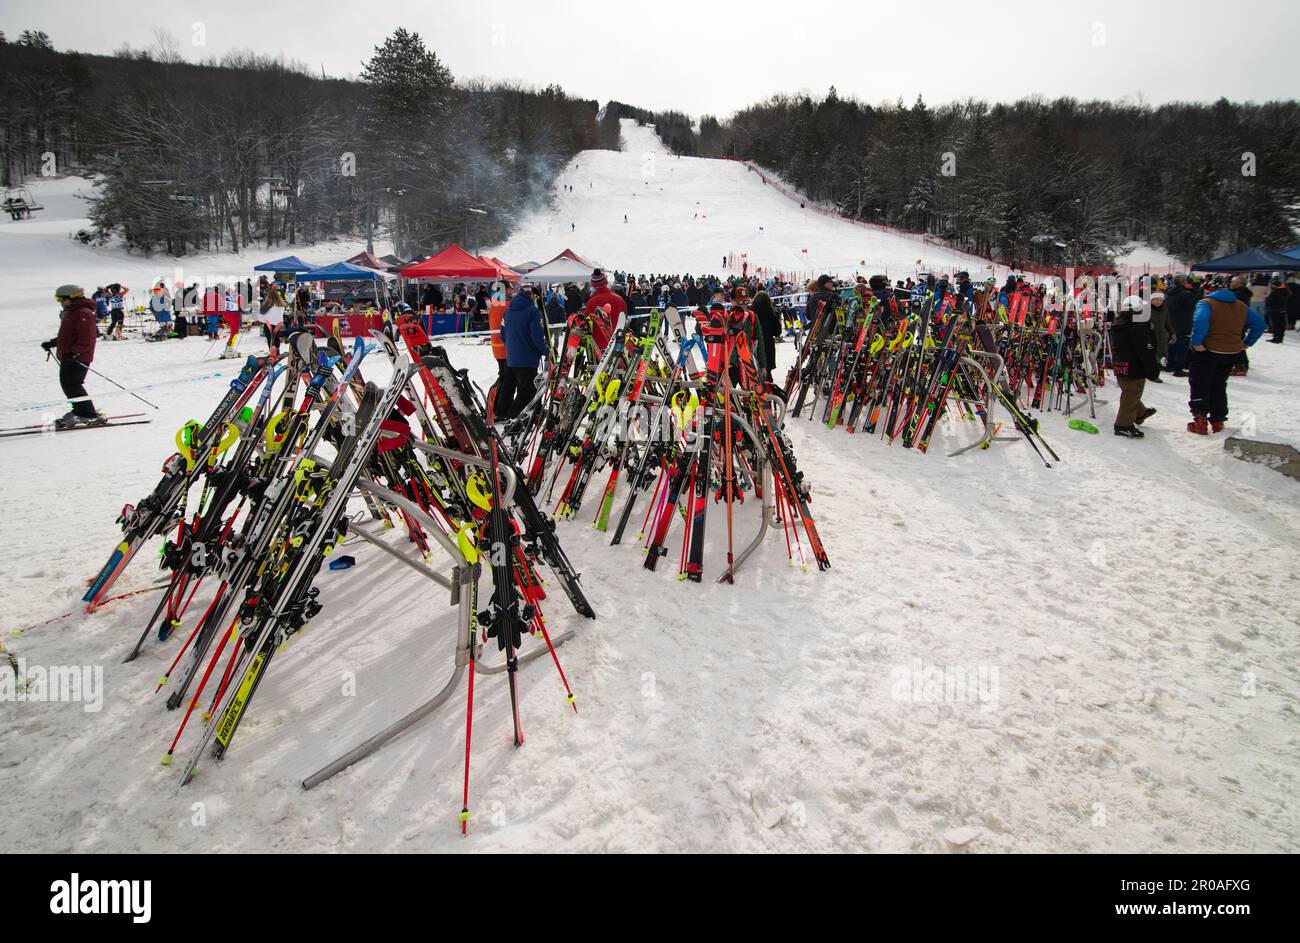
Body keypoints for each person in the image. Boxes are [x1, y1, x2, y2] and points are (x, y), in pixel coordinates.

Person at [1186, 284, 1266, 434]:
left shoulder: (1206, 303)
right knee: (1219, 384)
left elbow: (1200, 321)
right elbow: (1260, 324)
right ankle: (1218, 420)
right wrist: (1247, 342)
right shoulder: (1240, 305)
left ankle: (1200, 420)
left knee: (1199, 383)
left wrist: (1196, 342)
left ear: (1210, 292)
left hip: (1208, 350)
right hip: (1231, 352)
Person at [41, 285, 103, 428]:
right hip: (70, 356)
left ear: (72, 297)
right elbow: (68, 336)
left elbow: (86, 338)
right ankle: (81, 411)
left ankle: (87, 414)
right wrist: (52, 343)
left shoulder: (83, 313)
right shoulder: (73, 313)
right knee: (70, 385)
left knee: (73, 385)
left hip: (78, 357)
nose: (60, 302)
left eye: (62, 299)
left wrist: (75, 352)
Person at [1109, 295, 1159, 438]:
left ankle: (1141, 413)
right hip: (1134, 366)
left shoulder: (1119, 323)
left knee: (1129, 391)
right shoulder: (1139, 326)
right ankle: (1123, 425)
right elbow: (1146, 350)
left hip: (1120, 364)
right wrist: (1153, 370)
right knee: (1131, 394)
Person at [500, 285, 549, 421]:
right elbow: (537, 337)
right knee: (527, 391)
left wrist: (514, 345)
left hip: (512, 358)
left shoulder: (507, 312)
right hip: (527, 359)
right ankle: (512, 419)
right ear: (532, 296)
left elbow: (502, 335)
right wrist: (546, 350)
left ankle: (535, 413)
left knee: (517, 388)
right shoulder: (533, 312)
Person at [487, 282, 515, 417]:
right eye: (510, 288)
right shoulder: (508, 305)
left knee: (504, 378)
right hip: (507, 347)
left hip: (497, 347)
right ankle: (502, 410)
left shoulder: (494, 305)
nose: (512, 291)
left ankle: (496, 406)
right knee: (509, 381)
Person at [582, 268, 625, 353]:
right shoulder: (619, 299)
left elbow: (586, 324)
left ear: (593, 284)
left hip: (599, 347)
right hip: (618, 345)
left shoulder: (592, 302)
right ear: (605, 281)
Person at [1164, 274, 1195, 376]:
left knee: (1172, 344)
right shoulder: (1186, 294)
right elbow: (1192, 307)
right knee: (1182, 346)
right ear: (1184, 282)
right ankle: (1178, 368)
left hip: (1171, 321)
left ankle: (1170, 364)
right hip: (1183, 323)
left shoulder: (1168, 293)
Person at [260, 281, 287, 357]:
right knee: (276, 338)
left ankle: (273, 354)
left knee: (270, 339)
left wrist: (262, 304)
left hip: (269, 323)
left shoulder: (269, 303)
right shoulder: (281, 304)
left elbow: (262, 311)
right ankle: (277, 353)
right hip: (278, 323)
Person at [1264, 277, 1290, 343]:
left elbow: (1269, 301)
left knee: (1276, 325)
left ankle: (1276, 338)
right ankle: (1280, 337)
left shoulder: (1275, 293)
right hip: (1283, 310)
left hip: (1274, 311)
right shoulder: (1286, 291)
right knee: (1281, 325)